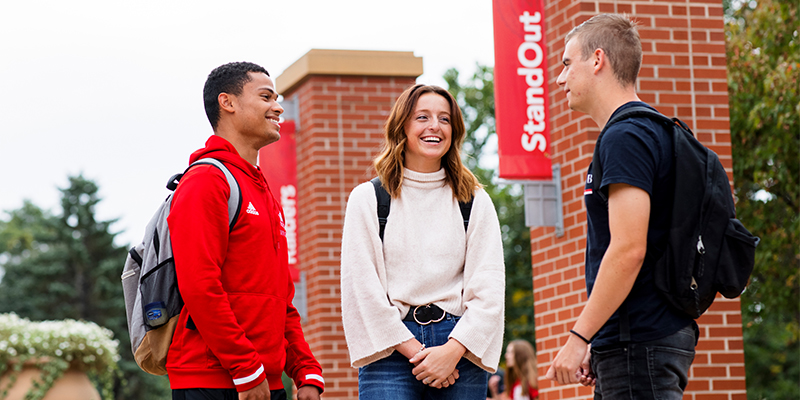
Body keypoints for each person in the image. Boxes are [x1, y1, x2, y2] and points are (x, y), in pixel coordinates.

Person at [545, 14, 697, 399]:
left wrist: (578, 337)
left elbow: (629, 249)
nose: (559, 79)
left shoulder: (625, 137)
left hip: (639, 342)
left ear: (597, 60)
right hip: (642, 339)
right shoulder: (658, 130)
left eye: (566, 64)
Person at [167, 62, 325, 400]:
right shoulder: (205, 181)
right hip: (214, 380)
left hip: (263, 382)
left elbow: (281, 296)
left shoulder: (263, 190)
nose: (278, 107)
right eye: (266, 97)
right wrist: (245, 369)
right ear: (228, 102)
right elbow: (199, 286)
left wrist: (305, 368)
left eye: (277, 98)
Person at [340, 84, 506, 399]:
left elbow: (490, 289)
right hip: (389, 348)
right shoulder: (369, 199)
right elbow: (361, 289)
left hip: (459, 345)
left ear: (454, 131)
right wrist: (419, 353)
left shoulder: (474, 201)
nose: (435, 126)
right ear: (402, 125)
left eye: (445, 119)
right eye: (422, 117)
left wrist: (452, 351)